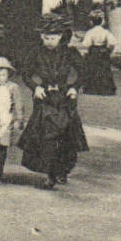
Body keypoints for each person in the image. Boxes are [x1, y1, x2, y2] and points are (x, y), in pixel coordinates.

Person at [18, 14, 89, 189]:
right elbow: (26, 74)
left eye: (53, 37)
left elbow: (85, 72)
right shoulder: (36, 52)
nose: (49, 41)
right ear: (41, 37)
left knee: (66, 136)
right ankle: (50, 173)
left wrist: (74, 87)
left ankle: (63, 170)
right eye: (46, 37)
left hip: (65, 99)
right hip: (45, 99)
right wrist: (36, 87)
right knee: (47, 137)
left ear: (60, 37)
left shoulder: (70, 53)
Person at [78, 9, 118, 95]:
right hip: (103, 52)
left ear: (91, 21)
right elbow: (112, 42)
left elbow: (86, 44)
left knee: (93, 70)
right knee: (104, 70)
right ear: (102, 21)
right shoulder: (105, 32)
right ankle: (106, 89)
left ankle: (92, 89)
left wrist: (85, 53)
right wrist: (108, 50)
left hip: (94, 52)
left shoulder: (90, 32)